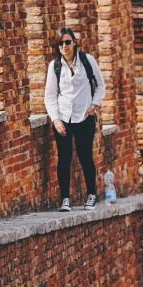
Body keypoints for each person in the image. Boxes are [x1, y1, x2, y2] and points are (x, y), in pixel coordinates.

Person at [44, 27, 106, 212]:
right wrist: (55, 119)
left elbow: (101, 85)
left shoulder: (87, 61)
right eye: (60, 43)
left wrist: (94, 105)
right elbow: (49, 95)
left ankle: (91, 194)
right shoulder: (54, 66)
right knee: (64, 158)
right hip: (63, 117)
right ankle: (65, 199)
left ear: (74, 43)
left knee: (85, 155)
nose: (64, 46)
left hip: (84, 116)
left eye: (67, 42)